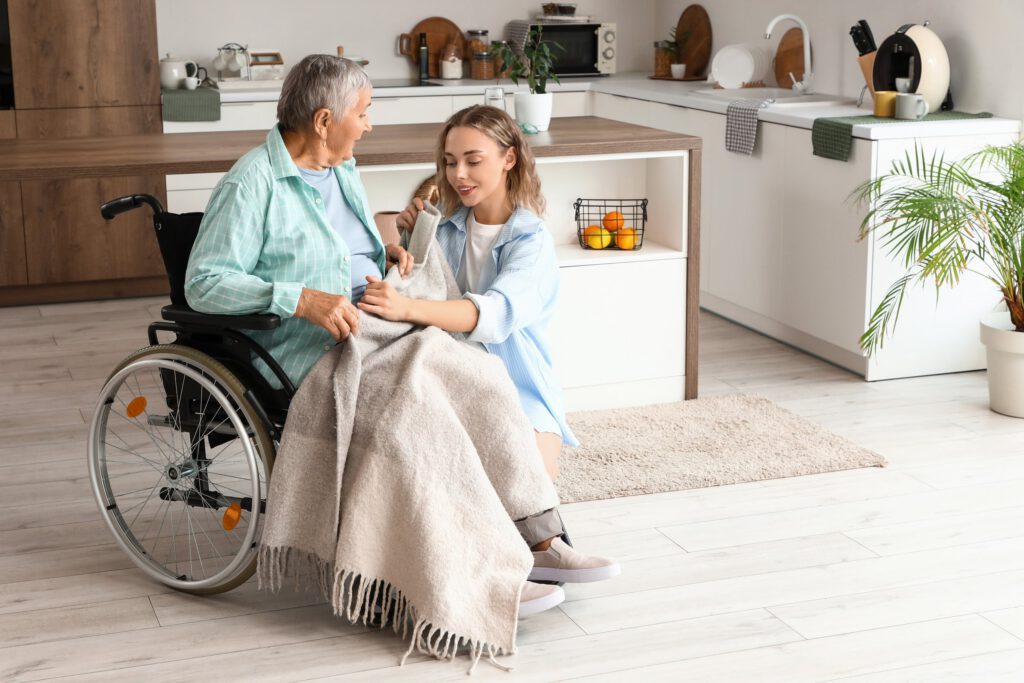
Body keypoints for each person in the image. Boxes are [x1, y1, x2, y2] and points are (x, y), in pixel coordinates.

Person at [357, 105, 620, 585]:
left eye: (473, 160)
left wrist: (405, 308)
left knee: (518, 489)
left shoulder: (532, 241)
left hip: (518, 389)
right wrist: (406, 228)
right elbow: (400, 256)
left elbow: (492, 318)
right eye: (451, 160)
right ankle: (522, 561)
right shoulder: (449, 226)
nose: (459, 174)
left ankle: (537, 551)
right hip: (451, 373)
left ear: (509, 159)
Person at [185, 54, 413, 391]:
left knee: (468, 371)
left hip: (377, 327)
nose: (368, 125)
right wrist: (302, 300)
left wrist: (379, 252)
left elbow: (327, 246)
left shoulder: (341, 168)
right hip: (313, 350)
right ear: (323, 121)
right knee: (424, 391)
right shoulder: (252, 183)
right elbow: (204, 285)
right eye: (362, 113)